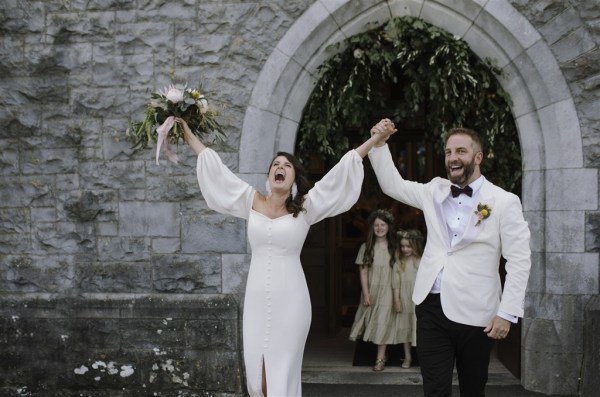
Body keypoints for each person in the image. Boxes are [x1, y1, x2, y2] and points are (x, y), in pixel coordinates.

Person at [179, 118, 394, 397]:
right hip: (256, 300)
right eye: (275, 165)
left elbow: (339, 174)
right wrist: (187, 134)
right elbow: (218, 172)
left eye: (287, 166)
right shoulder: (250, 200)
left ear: (294, 178)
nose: (280, 168)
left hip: (291, 301)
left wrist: (373, 141)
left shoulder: (306, 207)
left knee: (282, 374)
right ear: (269, 175)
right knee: (259, 377)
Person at [368, 119, 531, 397]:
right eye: (448, 152)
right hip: (431, 307)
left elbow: (519, 260)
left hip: (478, 313)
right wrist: (379, 144)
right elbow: (392, 185)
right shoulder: (434, 190)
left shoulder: (504, 202)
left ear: (477, 157)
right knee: (434, 390)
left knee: (472, 389)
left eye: (460, 151)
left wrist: (507, 313)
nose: (452, 158)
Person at [349, 209, 401, 372]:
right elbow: (363, 271)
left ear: (388, 227)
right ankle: (382, 354)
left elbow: (399, 272)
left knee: (383, 322)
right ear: (372, 227)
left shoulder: (394, 247)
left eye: (383, 225)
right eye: (376, 225)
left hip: (389, 289)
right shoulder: (366, 247)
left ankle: (379, 358)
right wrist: (365, 293)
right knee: (371, 321)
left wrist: (397, 296)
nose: (379, 228)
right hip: (372, 290)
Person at [392, 229, 424, 369]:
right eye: (403, 246)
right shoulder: (399, 263)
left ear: (415, 246)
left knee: (421, 330)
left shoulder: (422, 262)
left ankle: (423, 359)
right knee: (406, 329)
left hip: (418, 301)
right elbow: (395, 284)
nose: (405, 249)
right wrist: (396, 300)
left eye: (408, 246)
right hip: (405, 300)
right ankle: (407, 356)